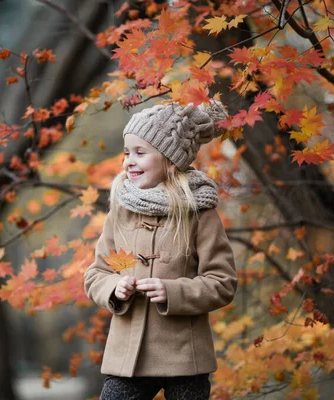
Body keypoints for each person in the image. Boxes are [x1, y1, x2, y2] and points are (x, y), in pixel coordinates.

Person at [84, 100, 238, 400]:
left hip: (186, 357)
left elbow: (223, 282)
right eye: (127, 152)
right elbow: (96, 274)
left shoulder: (199, 213)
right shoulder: (121, 211)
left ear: (169, 160)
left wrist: (173, 292)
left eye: (141, 153)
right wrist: (116, 287)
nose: (129, 160)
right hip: (128, 356)